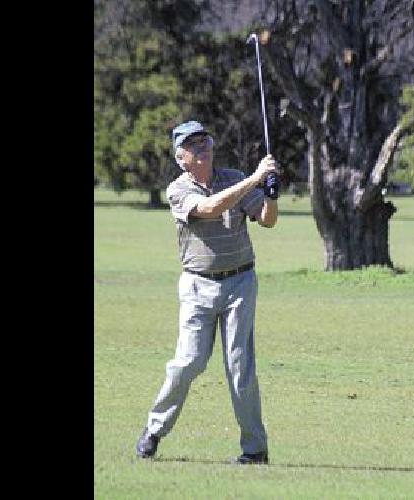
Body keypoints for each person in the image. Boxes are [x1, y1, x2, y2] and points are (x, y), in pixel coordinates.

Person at [135, 120, 279, 465]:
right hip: (198, 285)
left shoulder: (234, 177)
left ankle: (255, 449)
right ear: (181, 157)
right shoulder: (178, 190)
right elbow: (210, 208)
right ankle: (154, 430)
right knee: (188, 362)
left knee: (240, 367)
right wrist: (256, 179)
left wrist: (271, 193)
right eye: (192, 143)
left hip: (241, 283)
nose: (201, 146)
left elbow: (268, 219)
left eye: (205, 140)